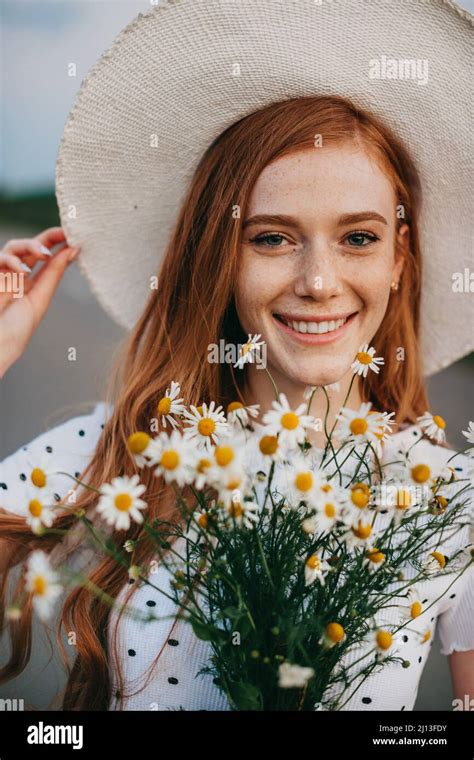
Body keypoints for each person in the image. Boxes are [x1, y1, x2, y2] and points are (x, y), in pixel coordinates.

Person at [0, 0, 472, 711]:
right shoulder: (119, 455)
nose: (318, 282)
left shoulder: (451, 501)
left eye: (359, 238)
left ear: (401, 258)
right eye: (272, 238)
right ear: (222, 258)